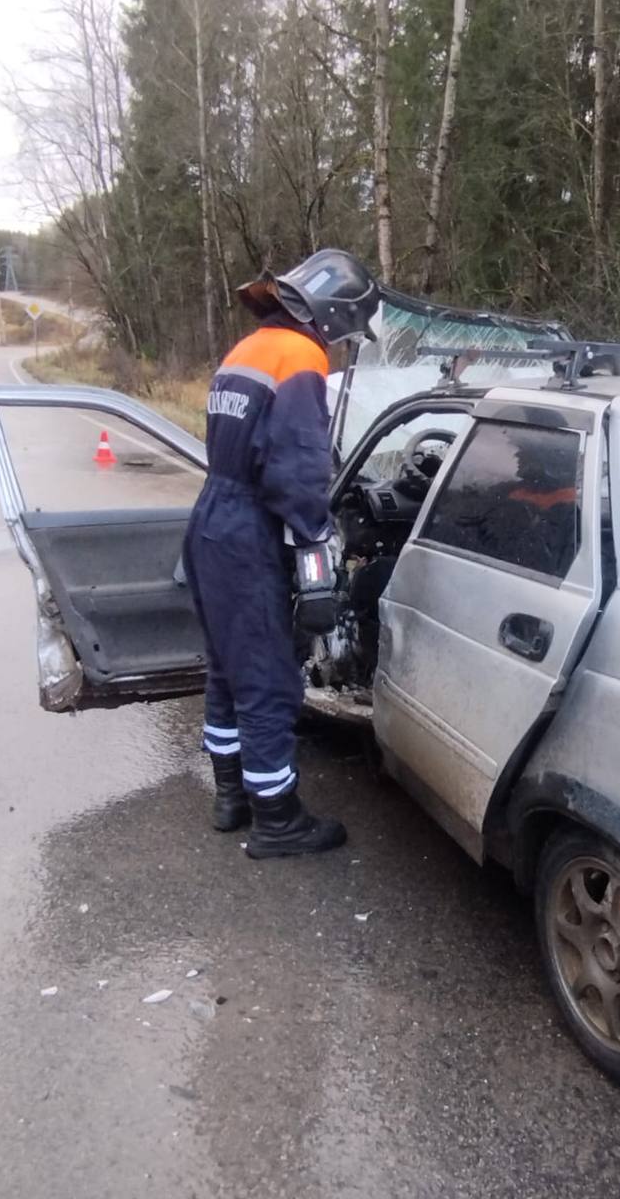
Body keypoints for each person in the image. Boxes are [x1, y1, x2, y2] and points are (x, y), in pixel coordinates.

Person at [183, 249, 380, 859]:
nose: (344, 341)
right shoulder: (302, 357)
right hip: (249, 530)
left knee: (226, 668)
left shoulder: (248, 349)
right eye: (348, 328)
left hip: (213, 518)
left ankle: (231, 797)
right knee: (267, 681)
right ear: (334, 312)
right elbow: (297, 473)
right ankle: (277, 822)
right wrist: (317, 564)